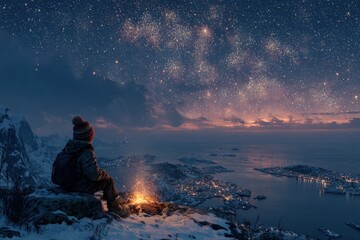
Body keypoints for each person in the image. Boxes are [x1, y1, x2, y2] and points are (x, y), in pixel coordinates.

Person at [59, 115, 129, 217]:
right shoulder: (86, 151)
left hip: (66, 184)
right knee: (108, 181)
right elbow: (94, 175)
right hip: (77, 186)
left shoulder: (69, 148)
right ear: (89, 136)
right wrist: (104, 173)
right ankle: (115, 208)